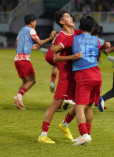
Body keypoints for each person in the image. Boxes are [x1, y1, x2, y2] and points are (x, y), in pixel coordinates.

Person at [38, 9, 82, 144]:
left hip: (77, 74)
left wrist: (103, 44)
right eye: (68, 17)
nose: (71, 18)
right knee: (56, 104)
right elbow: (55, 57)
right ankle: (43, 135)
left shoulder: (77, 32)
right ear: (62, 22)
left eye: (71, 16)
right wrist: (72, 56)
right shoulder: (61, 36)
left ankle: (64, 125)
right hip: (66, 76)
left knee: (82, 103)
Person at [71, 16, 110, 145]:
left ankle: (84, 134)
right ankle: (87, 134)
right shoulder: (99, 40)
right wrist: (105, 45)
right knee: (88, 107)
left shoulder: (74, 39)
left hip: (84, 76)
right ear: (93, 29)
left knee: (79, 107)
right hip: (97, 76)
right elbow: (104, 46)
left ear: (80, 27)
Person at [14, 14, 56, 110]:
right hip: (24, 59)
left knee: (25, 82)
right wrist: (50, 38)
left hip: (17, 59)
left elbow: (17, 44)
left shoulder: (21, 30)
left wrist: (30, 47)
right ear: (32, 22)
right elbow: (40, 42)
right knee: (32, 80)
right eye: (35, 21)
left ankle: (18, 102)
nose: (35, 23)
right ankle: (18, 96)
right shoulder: (31, 30)